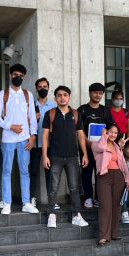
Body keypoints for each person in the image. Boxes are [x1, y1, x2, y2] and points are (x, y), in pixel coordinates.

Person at [42, 85, 89, 229]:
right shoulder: (50, 114)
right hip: (55, 156)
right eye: (59, 95)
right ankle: (51, 215)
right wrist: (45, 156)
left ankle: (76, 215)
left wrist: (85, 154)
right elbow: (44, 136)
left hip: (72, 157)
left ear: (69, 97)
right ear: (55, 98)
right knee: (53, 188)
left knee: (74, 188)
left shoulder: (75, 114)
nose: (62, 98)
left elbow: (80, 135)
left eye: (65, 95)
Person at [0, 64, 38, 215]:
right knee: (6, 171)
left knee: (24, 171)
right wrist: (10, 126)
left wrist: (33, 135)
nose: (17, 77)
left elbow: (32, 117)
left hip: (24, 139)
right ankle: (7, 203)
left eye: (20, 75)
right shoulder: (2, 94)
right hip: (8, 139)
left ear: (23, 77)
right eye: (15, 75)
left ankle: (26, 203)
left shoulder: (27, 94)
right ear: (10, 75)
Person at [92, 124, 129, 245]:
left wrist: (128, 178)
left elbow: (123, 163)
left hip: (118, 177)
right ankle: (104, 236)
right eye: (111, 132)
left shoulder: (117, 147)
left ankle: (114, 234)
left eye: (115, 133)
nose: (113, 134)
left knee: (116, 206)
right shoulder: (96, 144)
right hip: (104, 176)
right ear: (106, 132)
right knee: (105, 206)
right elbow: (101, 147)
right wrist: (104, 135)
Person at [78, 82, 114, 208]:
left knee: (101, 173)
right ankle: (88, 197)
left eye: (100, 93)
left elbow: (111, 128)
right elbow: (79, 130)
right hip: (86, 148)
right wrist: (88, 143)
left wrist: (105, 141)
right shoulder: (82, 109)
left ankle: (99, 198)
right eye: (95, 92)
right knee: (86, 172)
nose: (98, 95)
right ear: (90, 93)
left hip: (102, 149)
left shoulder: (106, 110)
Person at [29, 77, 56, 207]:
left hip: (50, 145)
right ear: (36, 89)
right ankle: (32, 198)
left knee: (50, 173)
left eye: (45, 87)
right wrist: (33, 119)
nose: (42, 89)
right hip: (34, 145)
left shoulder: (54, 106)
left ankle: (52, 200)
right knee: (33, 172)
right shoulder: (31, 105)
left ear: (48, 88)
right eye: (40, 87)